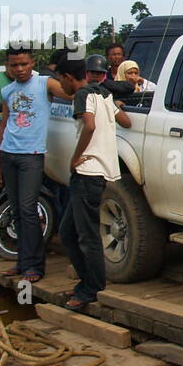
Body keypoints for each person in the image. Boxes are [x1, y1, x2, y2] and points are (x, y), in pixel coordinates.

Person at [55, 57, 131, 309]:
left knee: (87, 236)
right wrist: (115, 107)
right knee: (67, 232)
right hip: (100, 173)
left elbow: (88, 126)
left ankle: (92, 288)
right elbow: (126, 122)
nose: (59, 86)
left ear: (68, 77)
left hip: (87, 172)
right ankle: (85, 283)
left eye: (60, 80)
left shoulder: (82, 95)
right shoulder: (105, 95)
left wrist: (75, 158)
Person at [0, 45, 52, 281]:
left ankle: (35, 267)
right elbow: (4, 124)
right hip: (8, 154)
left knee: (29, 210)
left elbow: (71, 93)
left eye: (23, 64)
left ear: (32, 63)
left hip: (32, 155)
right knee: (17, 211)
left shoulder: (45, 84)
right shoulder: (8, 91)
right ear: (8, 67)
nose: (19, 69)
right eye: (14, 65)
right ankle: (21, 262)